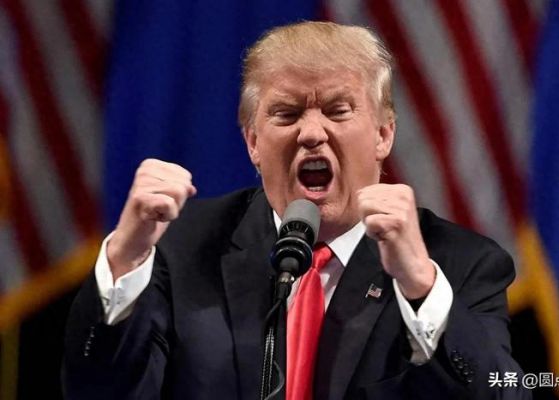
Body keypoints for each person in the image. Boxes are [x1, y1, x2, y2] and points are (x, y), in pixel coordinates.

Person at [63, 21, 529, 399]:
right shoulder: (182, 250)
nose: (311, 133)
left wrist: (420, 287)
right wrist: (124, 258)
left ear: (383, 135)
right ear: (253, 142)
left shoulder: (461, 264)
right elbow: (98, 392)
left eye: (338, 110)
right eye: (286, 114)